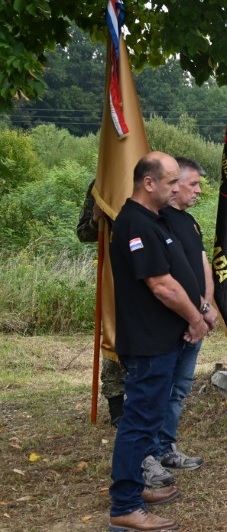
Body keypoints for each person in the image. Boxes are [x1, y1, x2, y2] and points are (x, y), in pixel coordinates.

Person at [107, 152, 209, 532]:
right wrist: (195, 318)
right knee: (139, 421)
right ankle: (125, 505)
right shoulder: (136, 223)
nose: (176, 188)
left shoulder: (155, 219)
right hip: (148, 342)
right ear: (148, 183)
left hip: (161, 340)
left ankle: (134, 488)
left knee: (147, 419)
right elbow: (162, 286)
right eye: (170, 182)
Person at [139, 157, 215, 488]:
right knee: (159, 389)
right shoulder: (160, 221)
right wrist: (195, 311)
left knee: (180, 388)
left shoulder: (190, 222)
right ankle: (147, 455)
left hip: (196, 318)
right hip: (174, 321)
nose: (198, 190)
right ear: (174, 184)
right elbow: (168, 276)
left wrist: (207, 305)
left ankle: (166, 447)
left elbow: (202, 263)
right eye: (192, 184)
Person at [76, 181, 126, 426]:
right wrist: (96, 219)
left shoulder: (155, 175)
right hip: (114, 273)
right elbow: (83, 233)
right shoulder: (102, 183)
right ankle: (117, 407)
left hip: (149, 268)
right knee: (114, 336)